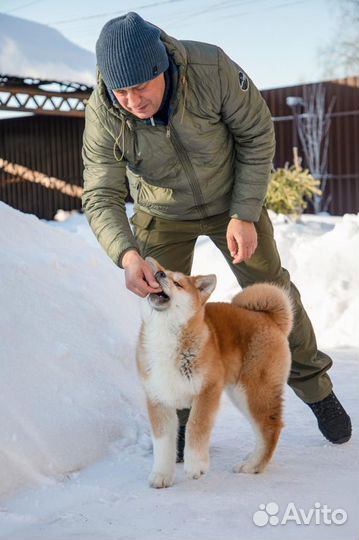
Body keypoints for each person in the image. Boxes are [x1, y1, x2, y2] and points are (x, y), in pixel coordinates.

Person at [82, 11, 351, 460]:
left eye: (141, 87)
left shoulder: (209, 69)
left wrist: (245, 212)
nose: (131, 100)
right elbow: (100, 191)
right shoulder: (104, 111)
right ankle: (182, 424)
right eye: (120, 90)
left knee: (273, 292)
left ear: (161, 69)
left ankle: (317, 390)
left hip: (232, 201)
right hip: (161, 211)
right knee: (165, 312)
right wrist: (127, 255)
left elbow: (257, 134)